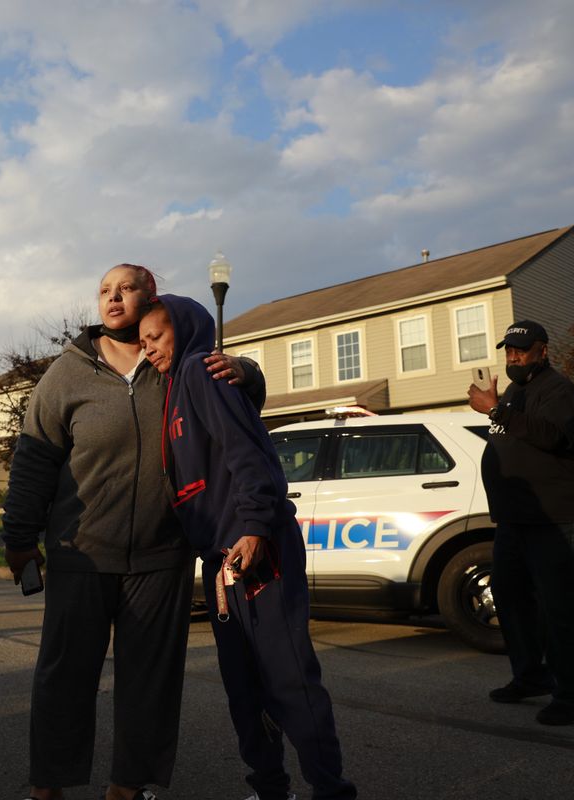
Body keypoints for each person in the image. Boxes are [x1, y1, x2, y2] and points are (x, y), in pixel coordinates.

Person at [2, 264, 263, 800]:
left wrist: (244, 369)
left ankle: (129, 785)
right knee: (64, 680)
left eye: (126, 288)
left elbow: (244, 393)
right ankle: (49, 784)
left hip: (161, 553)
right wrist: (20, 536)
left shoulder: (176, 361)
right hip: (82, 553)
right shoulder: (67, 372)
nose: (113, 297)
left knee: (150, 682)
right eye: (104, 290)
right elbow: (33, 460)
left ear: (151, 296)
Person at [139, 295, 358, 800]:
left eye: (158, 337)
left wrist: (256, 527)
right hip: (222, 558)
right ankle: (269, 787)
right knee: (243, 686)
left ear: (188, 328)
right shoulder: (170, 389)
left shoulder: (198, 371)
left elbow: (248, 450)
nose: (150, 349)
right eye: (144, 342)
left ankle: (331, 790)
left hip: (257, 545)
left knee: (287, 679)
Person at [466, 319, 574, 726]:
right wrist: (499, 407)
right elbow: (515, 438)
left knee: (559, 607)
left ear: (543, 350)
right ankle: (530, 675)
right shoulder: (515, 392)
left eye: (522, 350)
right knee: (508, 595)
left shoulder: (558, 389)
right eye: (509, 350)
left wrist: (495, 409)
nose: (514, 356)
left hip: (554, 519)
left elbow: (551, 436)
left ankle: (572, 696)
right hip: (515, 520)